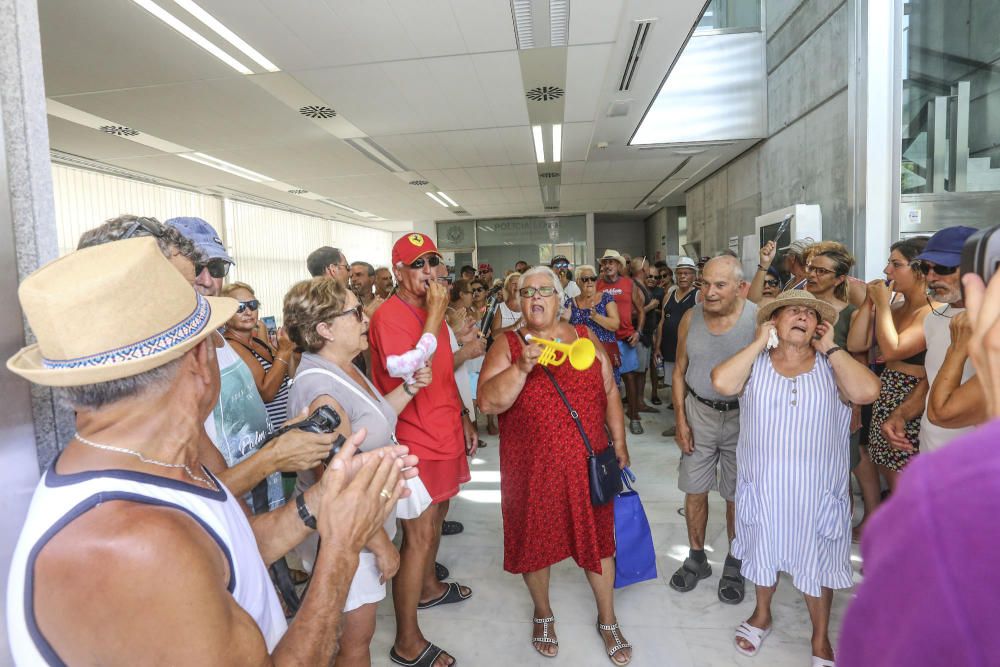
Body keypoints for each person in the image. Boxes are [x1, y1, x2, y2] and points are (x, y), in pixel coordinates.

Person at [5, 237, 415, 665]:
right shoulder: (134, 543)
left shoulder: (146, 463)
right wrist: (341, 551)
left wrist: (325, 499)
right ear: (200, 362)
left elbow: (232, 547)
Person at [79, 216, 330, 513]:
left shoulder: (216, 338)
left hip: (251, 495)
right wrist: (275, 458)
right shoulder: (155, 375)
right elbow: (188, 496)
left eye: (216, 268)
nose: (207, 280)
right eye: (196, 269)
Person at [837, 264, 1000, 666]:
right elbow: (930, 377)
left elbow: (902, 362)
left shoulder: (947, 319)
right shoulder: (943, 316)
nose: (890, 271)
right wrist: (906, 412)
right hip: (923, 428)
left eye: (899, 264)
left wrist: (877, 303)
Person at [712, 290, 880, 665]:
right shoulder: (756, 363)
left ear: (818, 326)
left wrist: (832, 349)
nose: (802, 317)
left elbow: (868, 392)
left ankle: (820, 638)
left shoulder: (832, 366)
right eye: (793, 311)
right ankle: (761, 614)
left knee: (817, 560)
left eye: (809, 313)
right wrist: (759, 341)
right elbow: (722, 383)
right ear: (775, 321)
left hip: (815, 492)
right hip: (766, 488)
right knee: (763, 550)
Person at [478, 267, 633, 665]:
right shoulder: (507, 344)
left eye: (544, 290)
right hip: (531, 468)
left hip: (586, 461)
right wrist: (521, 368)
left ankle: (608, 619)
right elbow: (487, 403)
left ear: (558, 298)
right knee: (536, 544)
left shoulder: (584, 337)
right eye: (527, 292)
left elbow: (610, 390)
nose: (536, 298)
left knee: (598, 543)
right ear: (519, 300)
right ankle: (543, 613)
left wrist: (619, 440)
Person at [282, 276, 433, 667]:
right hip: (347, 534)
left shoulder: (344, 366)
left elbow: (372, 422)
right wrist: (382, 545)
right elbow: (334, 484)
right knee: (353, 642)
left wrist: (410, 389)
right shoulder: (320, 390)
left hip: (362, 526)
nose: (365, 317)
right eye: (355, 312)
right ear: (324, 329)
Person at [368, 233, 476, 667]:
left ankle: (429, 586)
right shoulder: (391, 316)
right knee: (420, 533)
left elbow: (446, 370)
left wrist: (465, 417)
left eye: (434, 262)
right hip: (415, 438)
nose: (430, 272)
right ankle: (406, 641)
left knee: (440, 516)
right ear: (398, 271)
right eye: (418, 265)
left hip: (445, 427)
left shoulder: (434, 312)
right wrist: (435, 314)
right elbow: (409, 369)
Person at [669, 255, 757, 604]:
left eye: (719, 284)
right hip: (699, 412)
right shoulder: (691, 318)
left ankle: (735, 561)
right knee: (694, 488)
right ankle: (696, 558)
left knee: (736, 494)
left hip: (743, 417)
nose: (709, 291)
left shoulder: (757, 319)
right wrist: (680, 418)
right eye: (705, 283)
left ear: (740, 287)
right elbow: (678, 370)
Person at [883, 227, 982, 452]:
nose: (931, 277)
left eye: (944, 268)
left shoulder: (992, 323)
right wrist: (901, 414)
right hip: (933, 453)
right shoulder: (934, 319)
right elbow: (932, 378)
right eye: (926, 268)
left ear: (978, 268)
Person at [848, 237, 933, 491]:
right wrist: (868, 303)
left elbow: (892, 348)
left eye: (896, 264)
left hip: (912, 403)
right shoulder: (895, 308)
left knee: (907, 486)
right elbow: (855, 343)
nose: (887, 271)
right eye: (888, 264)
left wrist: (883, 305)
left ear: (920, 270)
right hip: (885, 399)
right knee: (891, 478)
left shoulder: (932, 311)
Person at [221, 282, 296, 429]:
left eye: (253, 305)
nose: (248, 312)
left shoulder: (258, 342)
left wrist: (291, 348)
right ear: (226, 313)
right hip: (269, 433)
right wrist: (284, 351)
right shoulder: (231, 346)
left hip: (287, 425)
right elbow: (266, 392)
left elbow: (288, 376)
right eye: (239, 307)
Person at [597, 249, 646, 434]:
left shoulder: (628, 284)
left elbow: (641, 310)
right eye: (605, 262)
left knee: (629, 378)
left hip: (625, 338)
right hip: (605, 339)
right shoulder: (597, 285)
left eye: (611, 262)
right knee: (604, 381)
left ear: (618, 265)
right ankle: (603, 422)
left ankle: (633, 417)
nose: (608, 265)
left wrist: (638, 332)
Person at [654, 257, 699, 433]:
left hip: (689, 351)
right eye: (680, 273)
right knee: (676, 386)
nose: (683, 277)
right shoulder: (669, 296)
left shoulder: (698, 295)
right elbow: (661, 323)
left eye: (687, 273)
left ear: (694, 275)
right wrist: (657, 346)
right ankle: (681, 424)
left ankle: (692, 426)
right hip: (670, 348)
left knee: (690, 388)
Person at [565, 264, 621, 381]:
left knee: (609, 391)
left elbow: (615, 324)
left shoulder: (606, 298)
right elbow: (563, 331)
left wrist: (596, 317)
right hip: (582, 357)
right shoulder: (570, 303)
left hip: (604, 354)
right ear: (577, 281)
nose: (590, 282)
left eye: (593, 278)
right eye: (585, 279)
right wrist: (564, 320)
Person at [632, 257, 661, 413]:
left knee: (642, 372)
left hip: (646, 337)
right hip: (640, 337)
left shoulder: (641, 286)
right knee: (638, 373)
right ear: (643, 269)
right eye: (648, 269)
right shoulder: (635, 287)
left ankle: (638, 401)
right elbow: (632, 314)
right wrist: (650, 306)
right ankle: (637, 404)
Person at [491, 272, 523, 337]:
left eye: (519, 283)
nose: (517, 286)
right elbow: (494, 335)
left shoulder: (529, 306)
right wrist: (514, 326)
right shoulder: (500, 307)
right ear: (507, 287)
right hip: (505, 345)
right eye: (514, 283)